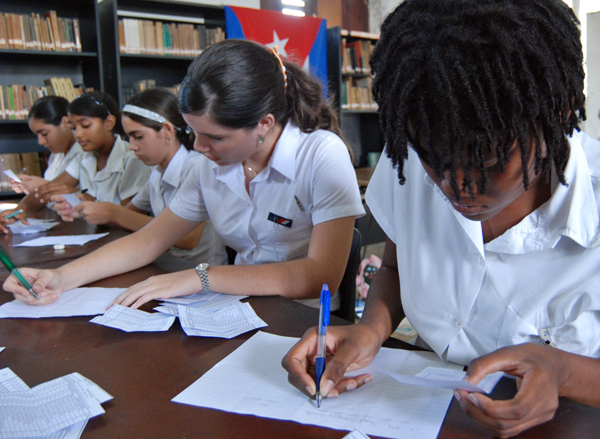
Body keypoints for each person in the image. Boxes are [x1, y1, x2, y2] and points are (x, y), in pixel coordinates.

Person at [282, 0, 600, 437]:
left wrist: (563, 372)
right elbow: (395, 266)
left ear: (560, 112)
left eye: (488, 163)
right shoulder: (409, 166)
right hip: (428, 415)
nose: (457, 187)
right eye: (433, 159)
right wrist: (370, 330)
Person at [3, 39, 364, 309]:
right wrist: (61, 278)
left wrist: (201, 277)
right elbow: (149, 240)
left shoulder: (320, 154)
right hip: (233, 305)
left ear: (263, 124)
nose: (201, 148)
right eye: (194, 133)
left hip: (300, 316)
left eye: (216, 137)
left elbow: (320, 276)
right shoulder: (209, 165)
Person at [56, 87, 227, 266]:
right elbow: (129, 214)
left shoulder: (197, 167)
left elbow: (188, 239)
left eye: (138, 137)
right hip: (168, 266)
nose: (131, 146)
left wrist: (115, 213)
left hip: (202, 273)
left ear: (167, 131)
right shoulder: (157, 173)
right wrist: (87, 206)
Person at [0, 91, 152, 233]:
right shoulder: (83, 157)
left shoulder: (133, 159)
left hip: (122, 240)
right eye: (73, 127)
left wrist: (84, 198)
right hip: (94, 236)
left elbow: (130, 218)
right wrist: (21, 210)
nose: (78, 134)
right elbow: (49, 190)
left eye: (85, 126)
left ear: (109, 123)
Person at [8, 96, 83, 194]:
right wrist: (29, 184)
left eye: (44, 134)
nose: (40, 142)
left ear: (65, 123)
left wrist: (42, 186)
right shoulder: (56, 154)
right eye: (37, 135)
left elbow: (87, 197)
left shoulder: (84, 153)